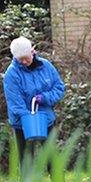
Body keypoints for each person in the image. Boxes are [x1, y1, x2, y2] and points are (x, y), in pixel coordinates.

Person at [3, 37, 65, 167]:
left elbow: (59, 88)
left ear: (32, 51)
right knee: (26, 158)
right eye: (21, 60)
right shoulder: (12, 74)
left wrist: (45, 98)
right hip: (22, 122)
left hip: (45, 117)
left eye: (26, 57)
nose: (24, 62)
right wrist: (29, 118)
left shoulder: (46, 66)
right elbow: (15, 102)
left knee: (51, 154)